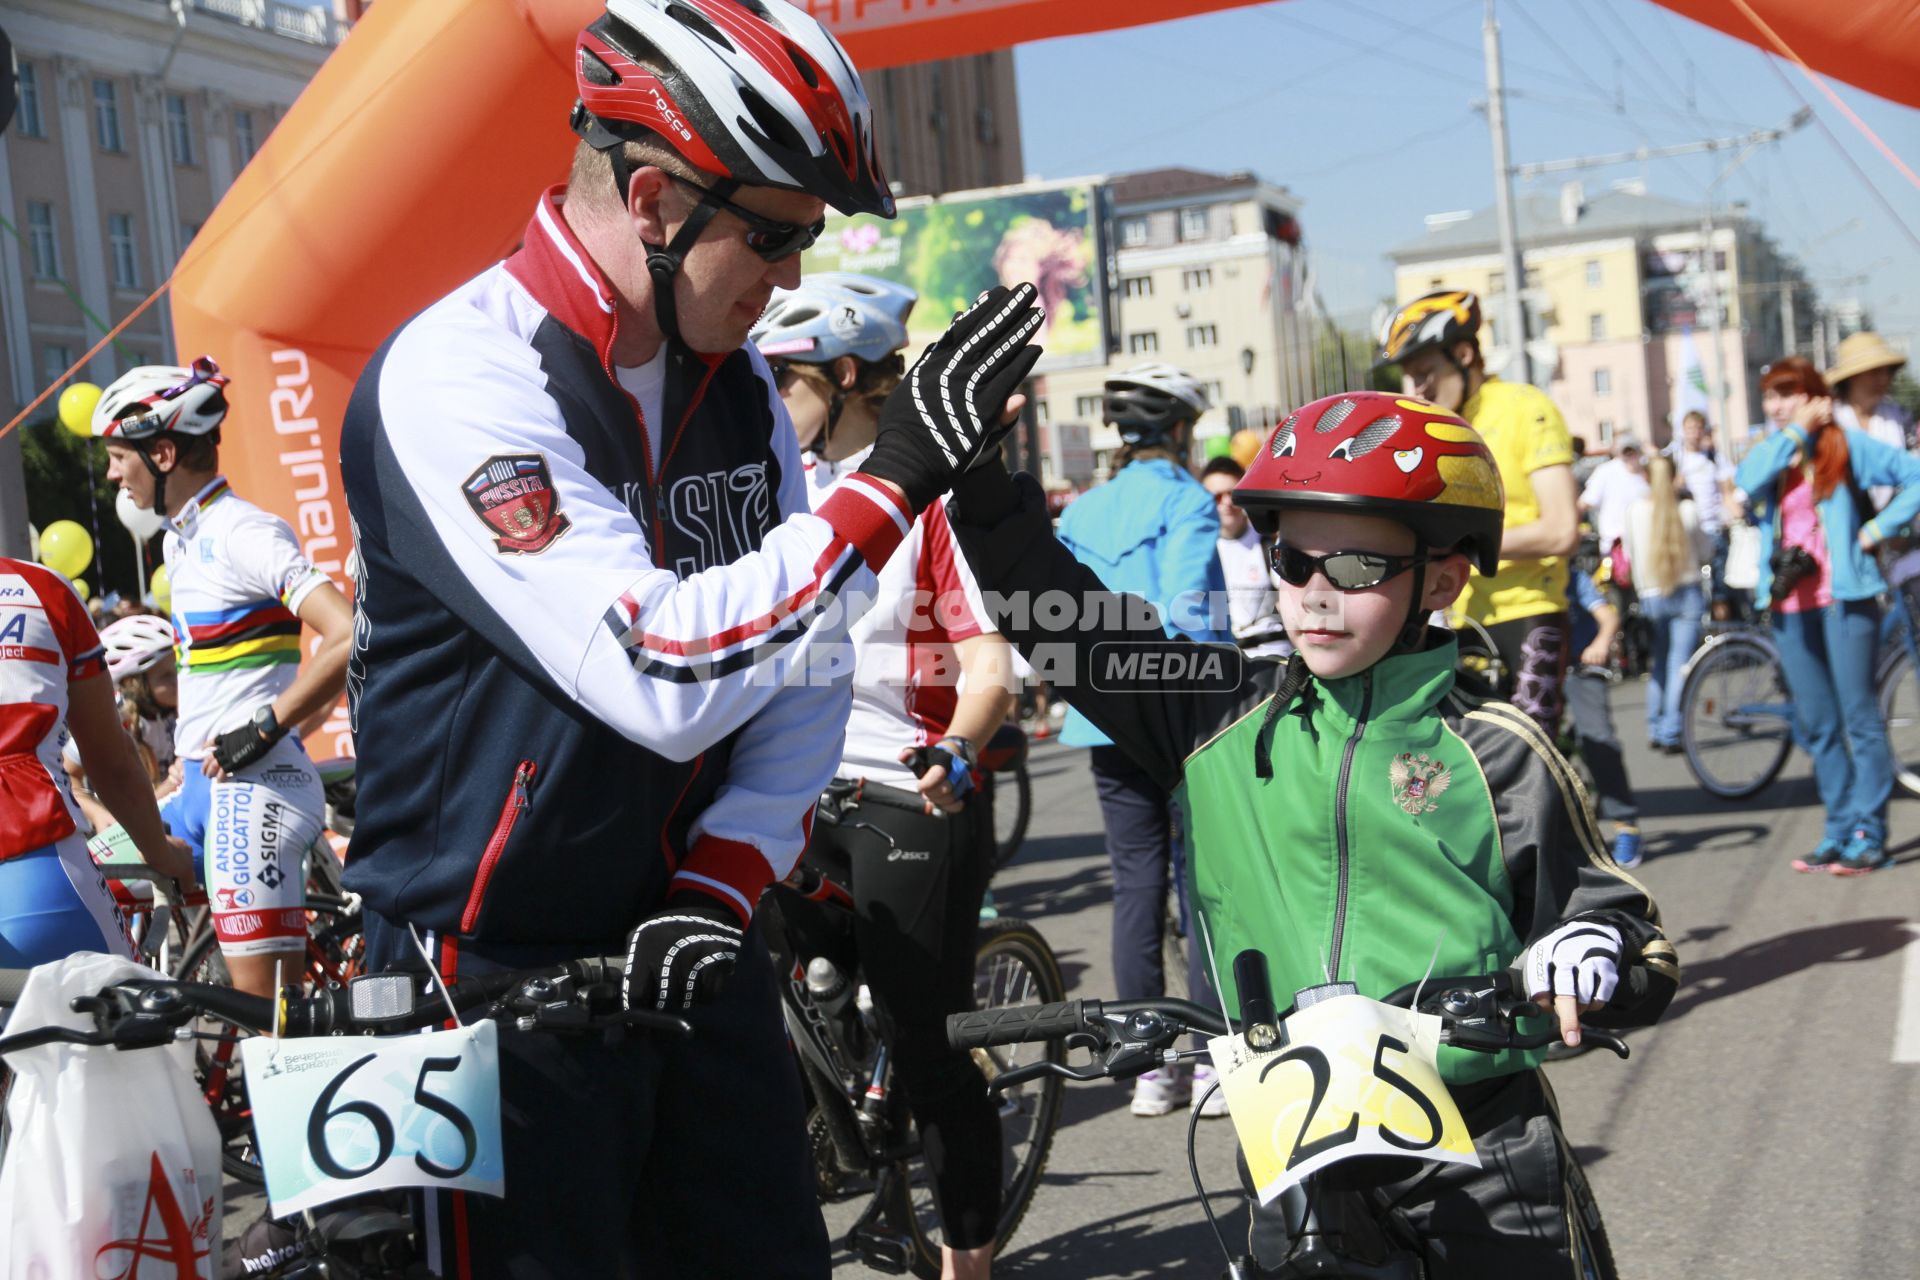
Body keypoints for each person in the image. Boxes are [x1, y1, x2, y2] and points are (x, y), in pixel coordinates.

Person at [336, 1, 1042, 1271]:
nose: (792, 279)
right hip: (479, 968)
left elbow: (808, 652)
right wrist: (886, 487)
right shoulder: (458, 372)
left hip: (686, 932)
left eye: (809, 239)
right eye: (773, 235)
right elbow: (658, 672)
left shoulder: (743, 389)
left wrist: (727, 874)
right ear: (653, 196)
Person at [940, 390, 1678, 1275]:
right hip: (1289, 1146)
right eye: (1292, 559)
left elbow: (1629, 936)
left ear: (1440, 580)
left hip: (1482, 1148)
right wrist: (978, 482)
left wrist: (1593, 949)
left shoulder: (1500, 753)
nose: (1317, 594)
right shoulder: (1217, 715)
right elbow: (1063, 620)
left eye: (1361, 566)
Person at [753, 274, 1017, 1280]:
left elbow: (987, 659)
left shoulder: (932, 500)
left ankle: (967, 1260)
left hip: (907, 793)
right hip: (792, 799)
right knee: (754, 1012)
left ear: (848, 375)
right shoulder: (780, 491)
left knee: (928, 1050)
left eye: (786, 380)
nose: (769, 401)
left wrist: (961, 741)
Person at [90, 358, 352, 1001]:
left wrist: (266, 726)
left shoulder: (242, 530)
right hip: (201, 790)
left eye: (119, 455)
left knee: (268, 1020)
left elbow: (347, 634)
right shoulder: (182, 539)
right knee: (86, 880)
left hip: (253, 790)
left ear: (164, 452)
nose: (110, 472)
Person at [1055, 361, 1229, 1118]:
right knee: (1206, 887)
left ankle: (1153, 1067)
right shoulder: (1187, 500)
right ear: (1183, 430)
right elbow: (1188, 612)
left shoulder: (1085, 509)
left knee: (1136, 887)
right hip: (1179, 711)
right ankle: (1220, 1058)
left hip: (1101, 710)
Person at [1737, 356, 1920, 876]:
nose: (1775, 406)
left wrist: (1873, 532)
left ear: (1815, 395)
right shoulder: (1777, 452)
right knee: (1817, 724)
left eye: (1787, 394)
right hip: (1789, 605)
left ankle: (1869, 833)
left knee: (1858, 718)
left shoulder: (1844, 444)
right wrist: (1796, 430)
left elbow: (1916, 475)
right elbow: (1745, 481)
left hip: (1845, 600)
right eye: (1770, 396)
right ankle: (1838, 829)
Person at [1382, 290, 1580, 733]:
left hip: (1528, 609)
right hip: (1459, 616)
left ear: (1465, 354)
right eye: (1408, 378)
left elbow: (1562, 529)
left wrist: (1462, 547)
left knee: (1528, 753)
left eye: (1425, 374)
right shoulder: (1436, 430)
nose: (1416, 390)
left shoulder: (1525, 407)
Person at [0, 557, 194, 967]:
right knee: (130, 1021)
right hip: (34, 865)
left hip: (32, 868)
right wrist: (161, 855)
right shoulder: (40, 588)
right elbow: (112, 762)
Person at [1624, 456, 1711, 754]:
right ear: (1675, 477)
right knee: (1678, 665)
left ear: (1646, 478)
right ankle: (1672, 729)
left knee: (1658, 664)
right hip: (1686, 591)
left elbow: (1630, 554)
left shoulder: (1635, 511)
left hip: (1650, 594)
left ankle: (1655, 727)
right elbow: (1707, 550)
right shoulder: (1686, 510)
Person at [63, 612, 180, 832]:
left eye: (177, 670)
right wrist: (98, 814)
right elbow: (68, 774)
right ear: (135, 683)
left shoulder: (178, 710)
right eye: (166, 676)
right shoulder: (112, 721)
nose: (178, 681)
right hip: (130, 832)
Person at [1565, 567, 1642, 868]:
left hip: (1580, 665)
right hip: (1535, 670)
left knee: (1598, 737)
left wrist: (1599, 644)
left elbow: (1609, 618)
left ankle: (1626, 823)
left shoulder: (1572, 576)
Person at [1200, 455, 1289, 658]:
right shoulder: (1199, 554)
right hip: (1229, 660)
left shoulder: (1269, 543)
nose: (1226, 503)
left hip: (1275, 656)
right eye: (1216, 497)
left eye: (1233, 494)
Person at [1827, 331, 1915, 512]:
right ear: (1852, 376)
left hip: (1896, 529)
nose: (1883, 379)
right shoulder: (1829, 420)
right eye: (1874, 372)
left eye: (1887, 372)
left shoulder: (1902, 419)